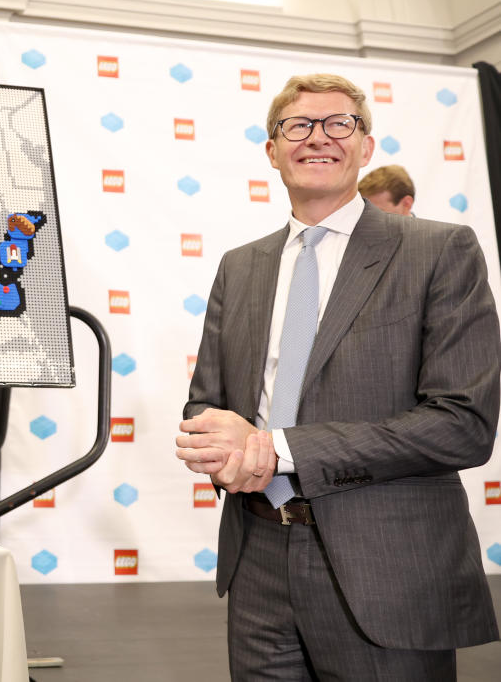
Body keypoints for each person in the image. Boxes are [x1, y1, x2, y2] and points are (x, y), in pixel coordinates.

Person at [175, 73, 499, 679]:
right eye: (297, 125)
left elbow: (462, 425)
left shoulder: (439, 251)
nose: (317, 137)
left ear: (366, 147)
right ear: (272, 150)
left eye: (339, 124)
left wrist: (278, 448)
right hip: (257, 560)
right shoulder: (240, 267)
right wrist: (214, 442)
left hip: (386, 570)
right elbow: (207, 404)